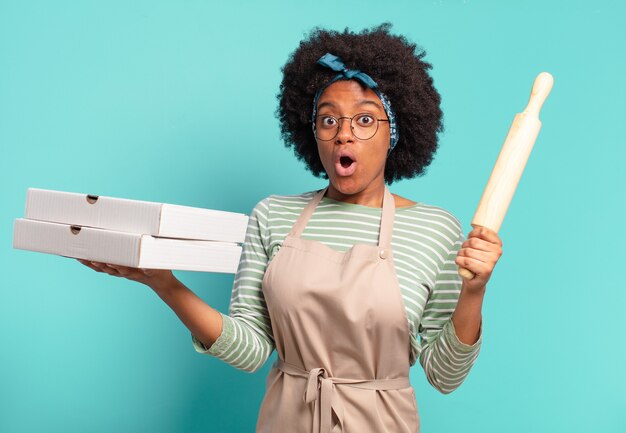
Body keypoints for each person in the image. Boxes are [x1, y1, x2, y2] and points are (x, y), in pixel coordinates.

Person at [79, 23, 503, 433]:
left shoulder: (435, 230)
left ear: (396, 132)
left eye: (366, 119)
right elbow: (250, 349)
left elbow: (446, 376)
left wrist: (474, 290)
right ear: (312, 130)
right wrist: (164, 284)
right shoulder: (273, 215)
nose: (344, 135)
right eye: (329, 119)